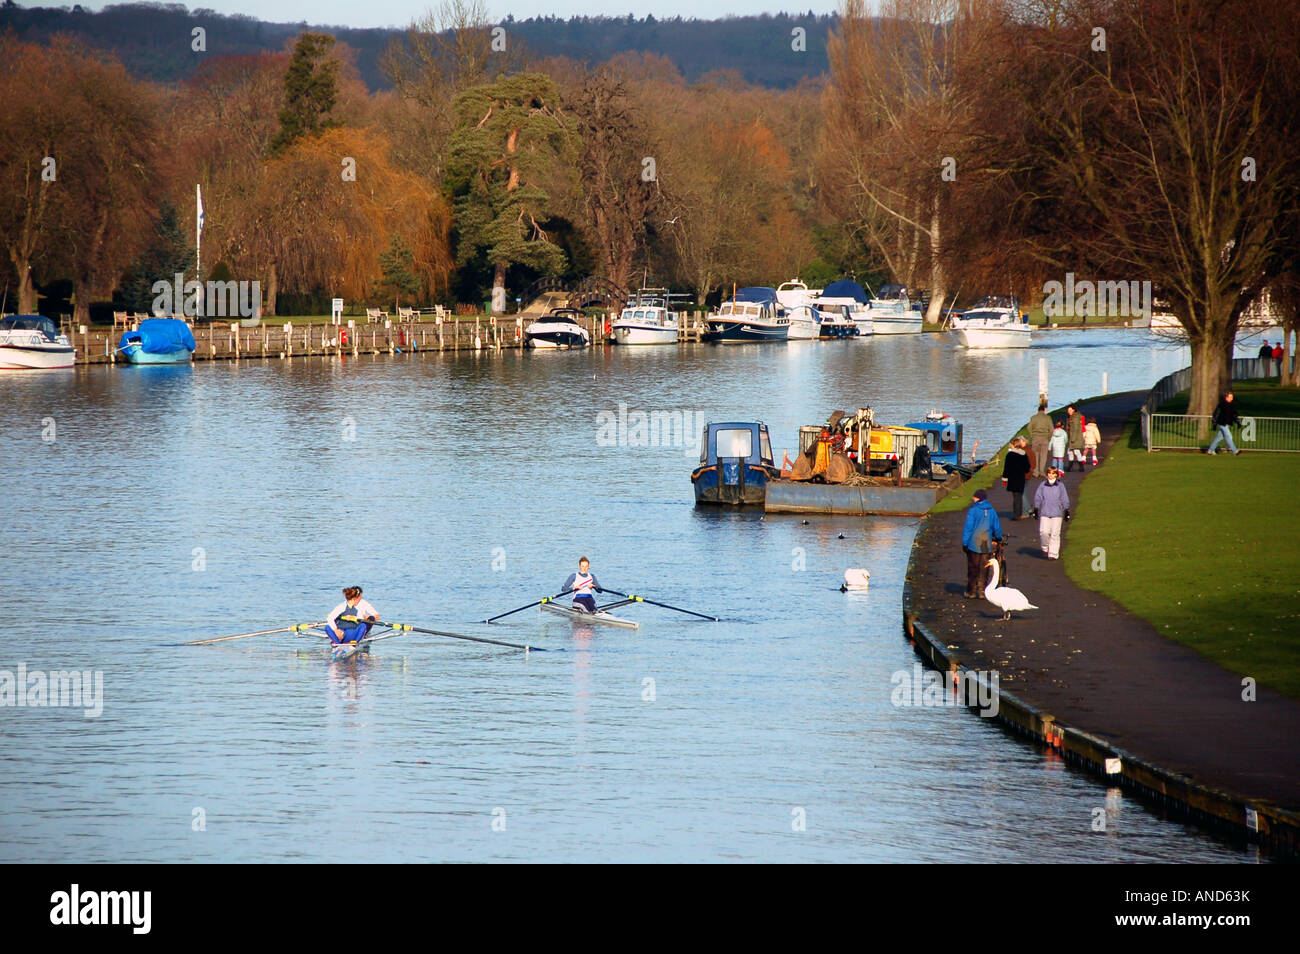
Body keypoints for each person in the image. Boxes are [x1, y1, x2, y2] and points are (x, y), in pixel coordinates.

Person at [961, 489, 1003, 599]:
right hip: (987, 543)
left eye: (974, 497)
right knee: (984, 568)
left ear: (978, 498)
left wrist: (965, 543)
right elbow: (996, 527)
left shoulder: (973, 510)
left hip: (974, 543)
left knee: (973, 567)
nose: (972, 498)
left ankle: (971, 591)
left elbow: (968, 528)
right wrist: (998, 537)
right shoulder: (992, 511)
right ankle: (982, 590)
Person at [1032, 467, 1071, 560]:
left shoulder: (1060, 486)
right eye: (1049, 473)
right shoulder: (1043, 485)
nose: (1051, 475)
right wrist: (1036, 508)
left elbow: (1064, 498)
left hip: (1057, 513)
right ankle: (1045, 548)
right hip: (1045, 512)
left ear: (1057, 475)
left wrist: (1066, 510)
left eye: (1053, 473)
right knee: (1044, 532)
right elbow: (1038, 496)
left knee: (1055, 534)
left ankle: (1053, 554)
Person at [1001, 437, 1031, 520]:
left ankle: (1016, 515)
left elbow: (1006, 468)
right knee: (1019, 496)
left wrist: (1004, 478)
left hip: (1013, 478)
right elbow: (1027, 467)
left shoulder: (1010, 455)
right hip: (1021, 478)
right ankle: (1019, 513)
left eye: (1010, 444)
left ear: (1013, 445)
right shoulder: (1023, 454)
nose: (1010, 445)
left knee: (1016, 497)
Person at [1206, 391, 1241, 455]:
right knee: (1229, 436)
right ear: (1226, 397)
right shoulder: (1222, 404)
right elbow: (1216, 413)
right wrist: (1214, 423)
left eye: (1232, 397)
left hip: (1226, 424)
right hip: (1222, 423)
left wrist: (1237, 422)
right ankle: (1235, 451)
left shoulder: (1230, 405)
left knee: (1219, 437)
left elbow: (1234, 414)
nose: (1232, 398)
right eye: (1231, 397)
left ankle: (1210, 450)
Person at [1027, 399, 1053, 478]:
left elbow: (1029, 427)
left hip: (1035, 438)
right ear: (1044, 411)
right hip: (1044, 438)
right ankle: (1042, 471)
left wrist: (1032, 436)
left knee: (1035, 456)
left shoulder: (1033, 418)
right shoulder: (1048, 418)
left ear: (1038, 411)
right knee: (1043, 456)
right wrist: (1048, 438)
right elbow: (1051, 429)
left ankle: (1035, 472)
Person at [1065, 403, 1085, 471]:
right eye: (1068, 410)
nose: (1069, 411)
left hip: (1075, 438)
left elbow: (1075, 429)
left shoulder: (1075, 418)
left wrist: (1072, 438)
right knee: (1072, 451)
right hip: (1073, 437)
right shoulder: (1072, 417)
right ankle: (1075, 467)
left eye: (1070, 410)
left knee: (1075, 451)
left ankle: (1074, 467)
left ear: (1073, 410)